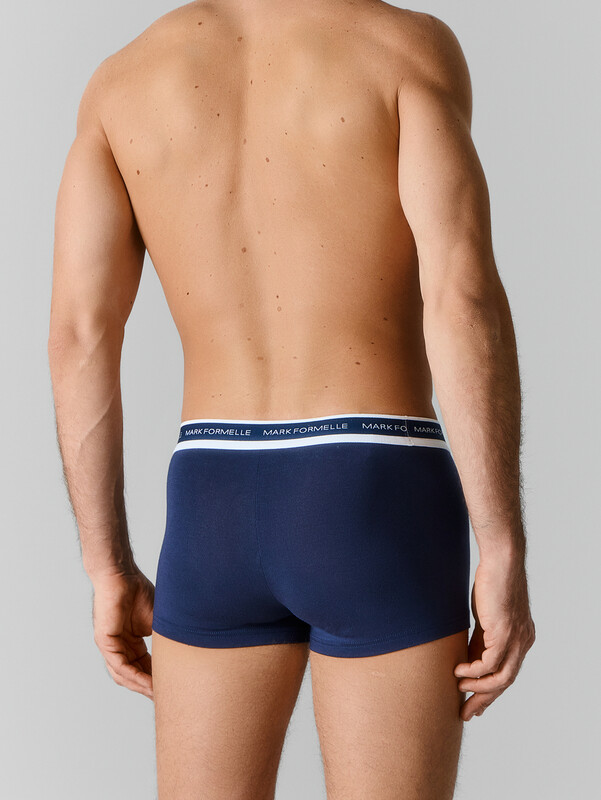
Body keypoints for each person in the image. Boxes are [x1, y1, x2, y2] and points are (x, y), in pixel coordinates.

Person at [47, 1, 535, 797]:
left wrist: (106, 567)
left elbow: (79, 335)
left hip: (209, 502)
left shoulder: (122, 81)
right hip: (373, 488)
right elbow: (461, 297)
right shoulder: (401, 48)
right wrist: (502, 546)